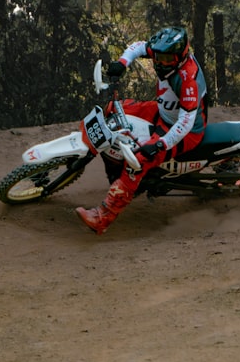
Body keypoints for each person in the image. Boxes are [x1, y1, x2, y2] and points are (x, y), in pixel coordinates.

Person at [76, 25, 208, 234]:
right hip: (163, 111)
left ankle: (103, 217)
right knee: (116, 108)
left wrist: (159, 144)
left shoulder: (188, 80)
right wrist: (122, 62)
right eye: (157, 58)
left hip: (184, 131)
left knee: (137, 161)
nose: (160, 63)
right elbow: (138, 47)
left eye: (166, 60)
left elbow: (185, 122)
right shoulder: (164, 52)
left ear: (180, 56)